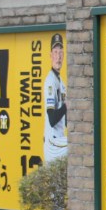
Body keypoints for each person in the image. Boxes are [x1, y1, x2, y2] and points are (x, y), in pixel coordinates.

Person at [44, 33, 68, 162]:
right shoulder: (50, 81)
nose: (58, 56)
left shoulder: (62, 83)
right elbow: (52, 119)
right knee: (80, 144)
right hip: (52, 143)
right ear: (50, 55)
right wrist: (67, 106)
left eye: (61, 52)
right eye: (55, 52)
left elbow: (66, 121)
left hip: (59, 139)